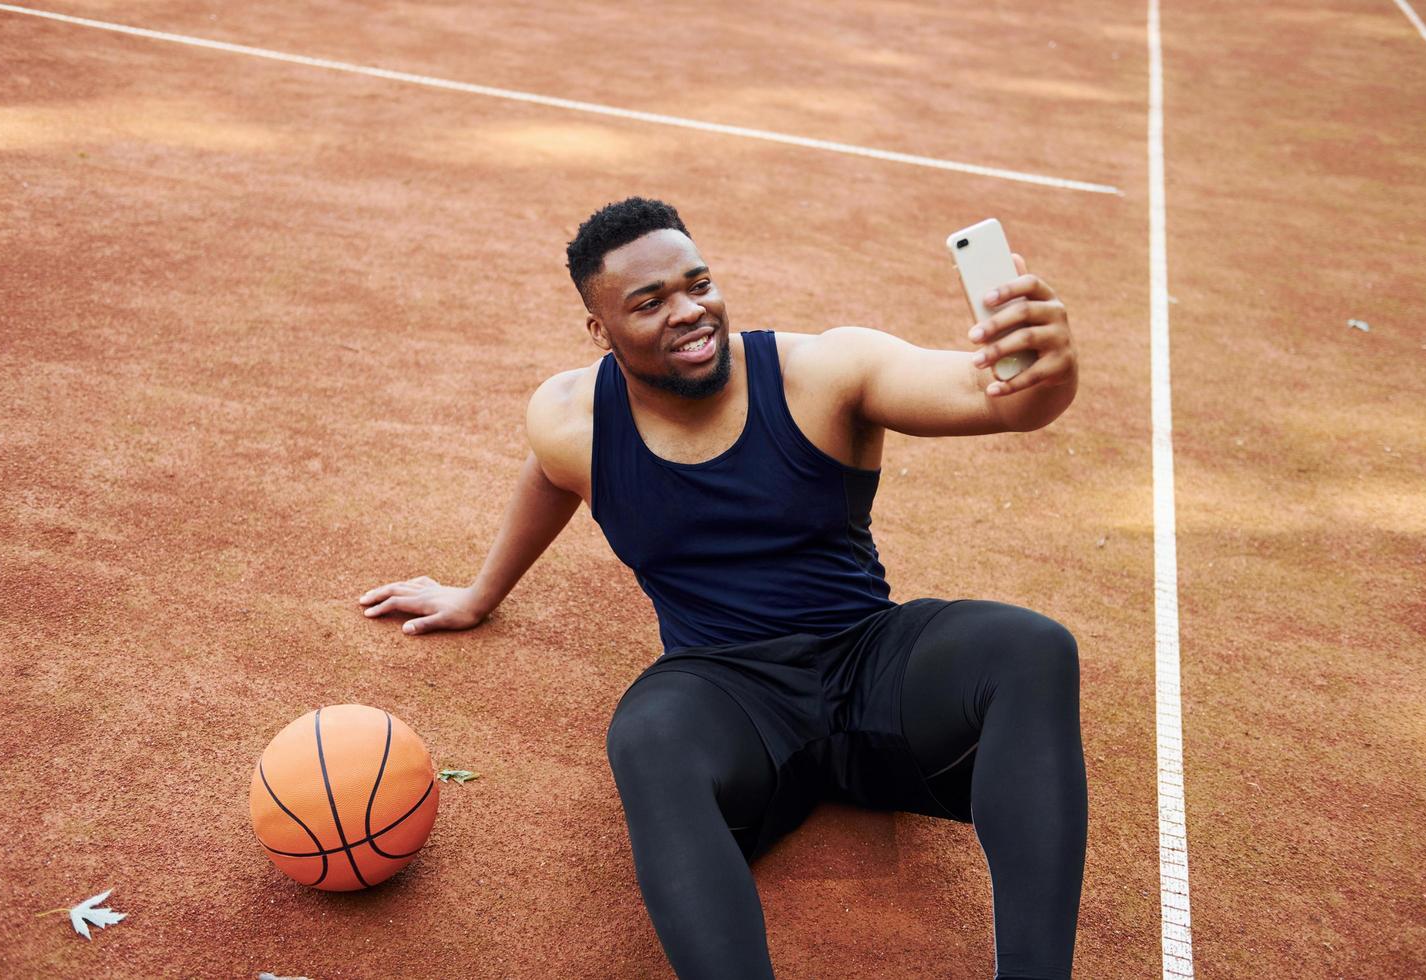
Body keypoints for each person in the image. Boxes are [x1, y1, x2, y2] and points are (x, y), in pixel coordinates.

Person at [358, 197, 1087, 980]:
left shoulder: (822, 372)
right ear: (601, 333)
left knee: (1031, 649)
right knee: (646, 737)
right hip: (729, 693)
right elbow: (551, 474)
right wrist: (479, 592)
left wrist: (1047, 369)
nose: (689, 311)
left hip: (868, 660)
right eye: (650, 302)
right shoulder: (572, 420)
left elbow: (1000, 399)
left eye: (696, 283)